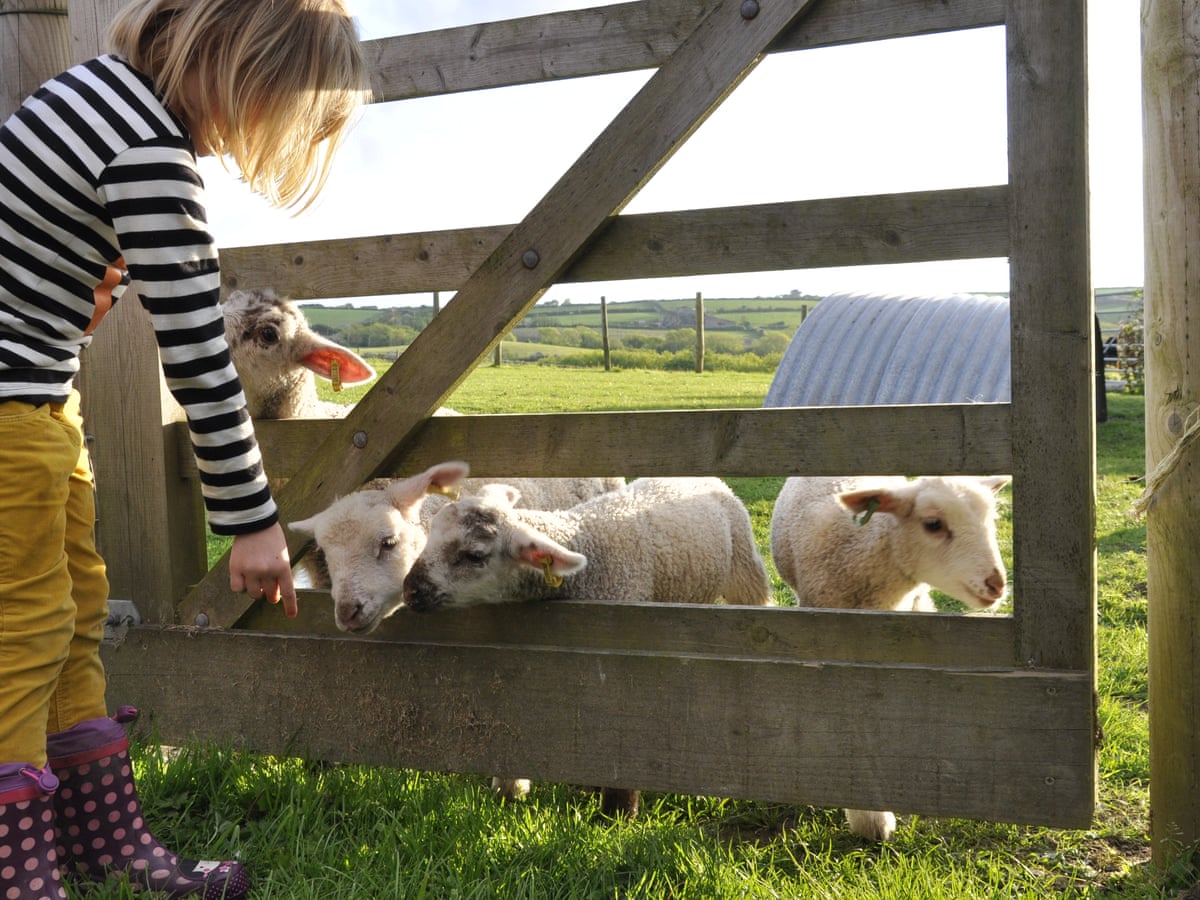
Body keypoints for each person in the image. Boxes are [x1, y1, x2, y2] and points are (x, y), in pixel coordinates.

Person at [0, 1, 370, 897]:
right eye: (277, 115)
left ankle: (96, 839)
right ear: (246, 68)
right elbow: (201, 351)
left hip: (41, 406)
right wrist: (252, 523)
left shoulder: (93, 97)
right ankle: (18, 872)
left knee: (78, 608)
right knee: (21, 628)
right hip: (10, 414)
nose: (245, 147)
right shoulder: (150, 148)